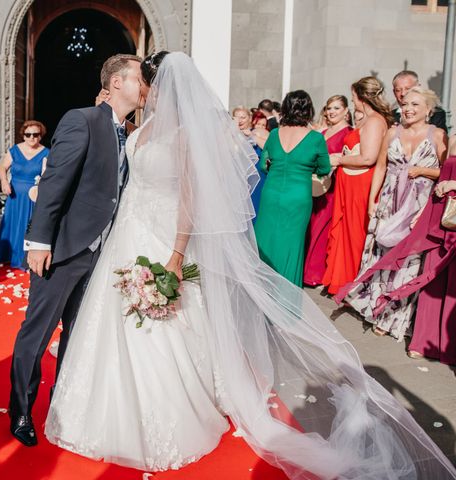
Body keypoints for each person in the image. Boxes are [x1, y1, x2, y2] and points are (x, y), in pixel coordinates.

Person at [45, 52, 456, 478]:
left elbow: (189, 198)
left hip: (163, 235)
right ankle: (105, 405)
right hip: (128, 234)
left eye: (144, 82)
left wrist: (176, 255)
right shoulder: (143, 126)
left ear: (157, 85)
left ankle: (161, 412)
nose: (142, 90)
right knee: (113, 323)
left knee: (165, 327)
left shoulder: (184, 134)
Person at [8, 53, 143, 447]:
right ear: (116, 82)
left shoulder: (132, 134)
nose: (144, 85)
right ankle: (20, 411)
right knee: (37, 333)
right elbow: (53, 183)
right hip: (64, 250)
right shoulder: (82, 120)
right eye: (138, 77)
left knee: (79, 336)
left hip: (104, 255)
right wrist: (39, 241)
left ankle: (61, 404)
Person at [335, 135, 456, 364]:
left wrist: (453, 185)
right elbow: (443, 173)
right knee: (432, 281)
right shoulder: (454, 138)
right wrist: (425, 211)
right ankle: (424, 340)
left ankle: (449, 347)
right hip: (441, 213)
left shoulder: (440, 135)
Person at [338, 87, 446, 339]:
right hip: (389, 199)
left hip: (418, 204)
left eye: (415, 105)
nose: (407, 109)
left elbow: (446, 172)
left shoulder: (438, 135)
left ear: (428, 110)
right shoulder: (391, 132)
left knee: (408, 260)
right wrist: (372, 200)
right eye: (405, 104)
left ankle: (394, 316)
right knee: (381, 254)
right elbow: (381, 167)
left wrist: (423, 171)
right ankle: (376, 306)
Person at [322, 76, 392, 295]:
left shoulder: (374, 121)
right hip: (349, 183)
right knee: (346, 233)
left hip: (360, 185)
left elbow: (367, 158)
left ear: (362, 97)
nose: (352, 102)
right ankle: (341, 280)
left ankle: (351, 284)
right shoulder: (369, 120)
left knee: (355, 235)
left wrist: (338, 159)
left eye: (353, 97)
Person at [254, 90, 331, 287]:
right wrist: (304, 167)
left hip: (271, 193)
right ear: (308, 110)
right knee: (291, 245)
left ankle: (263, 290)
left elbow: (264, 165)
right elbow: (324, 168)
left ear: (286, 108)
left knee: (266, 241)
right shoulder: (315, 138)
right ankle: (286, 297)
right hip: (298, 196)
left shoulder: (274, 134)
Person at [303, 95, 353, 287]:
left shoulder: (349, 133)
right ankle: (307, 270)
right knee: (310, 225)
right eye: (329, 108)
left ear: (346, 111)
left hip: (333, 186)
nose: (331, 112)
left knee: (322, 228)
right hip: (315, 184)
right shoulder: (322, 132)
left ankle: (315, 273)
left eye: (336, 108)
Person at [0, 120, 48, 270]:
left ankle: (24, 260)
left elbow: (48, 175)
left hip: (33, 197)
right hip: (15, 196)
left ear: (40, 136)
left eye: (35, 134)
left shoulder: (46, 153)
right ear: (23, 135)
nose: (32, 137)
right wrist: (4, 182)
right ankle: (8, 255)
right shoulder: (14, 150)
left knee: (27, 227)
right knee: (12, 225)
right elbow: (3, 168)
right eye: (28, 134)